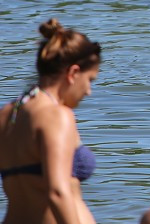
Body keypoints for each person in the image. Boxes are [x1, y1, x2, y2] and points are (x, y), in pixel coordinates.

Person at [0, 18, 101, 224]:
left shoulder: (7, 114)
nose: (88, 92)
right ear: (73, 73)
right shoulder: (57, 115)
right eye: (89, 80)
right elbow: (57, 192)